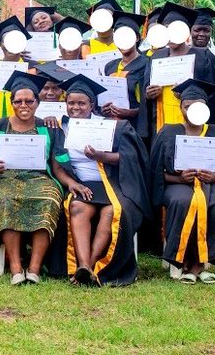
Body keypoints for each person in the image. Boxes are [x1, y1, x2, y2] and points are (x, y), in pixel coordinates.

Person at [50, 75, 148, 286]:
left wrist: (100, 157)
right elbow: (57, 164)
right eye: (71, 103)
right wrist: (71, 184)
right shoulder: (60, 127)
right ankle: (83, 265)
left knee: (111, 212)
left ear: (92, 105)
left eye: (81, 103)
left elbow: (129, 157)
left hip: (112, 183)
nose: (75, 107)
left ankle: (90, 266)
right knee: (77, 207)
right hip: (80, 182)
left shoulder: (111, 126)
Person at [0, 71, 64, 284]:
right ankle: (15, 268)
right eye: (18, 101)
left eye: (29, 101)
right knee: (6, 200)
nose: (24, 105)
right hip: (5, 178)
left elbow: (59, 161)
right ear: (11, 103)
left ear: (37, 103)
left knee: (48, 200)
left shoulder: (47, 127)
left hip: (41, 179)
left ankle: (34, 268)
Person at [147, 79, 215, 284]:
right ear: (180, 108)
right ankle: (188, 261)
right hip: (177, 184)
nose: (192, 111)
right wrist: (179, 177)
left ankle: (198, 264)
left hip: (214, 184)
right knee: (182, 202)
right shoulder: (168, 132)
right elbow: (156, 173)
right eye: (187, 106)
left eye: (198, 106)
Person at [143, 3, 215, 136]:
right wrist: (148, 94)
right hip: (162, 122)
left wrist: (190, 94)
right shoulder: (156, 57)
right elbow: (146, 93)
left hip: (195, 125)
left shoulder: (204, 57)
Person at [100, 11, 146, 132]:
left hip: (136, 128)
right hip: (112, 127)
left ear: (137, 37)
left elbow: (151, 104)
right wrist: (104, 109)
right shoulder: (109, 66)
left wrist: (132, 112)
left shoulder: (148, 64)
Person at [190, 7, 215, 75]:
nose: (202, 34)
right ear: (190, 31)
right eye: (197, 30)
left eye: (206, 31)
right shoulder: (184, 56)